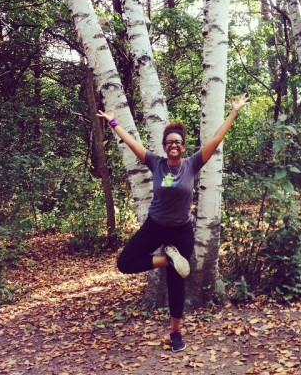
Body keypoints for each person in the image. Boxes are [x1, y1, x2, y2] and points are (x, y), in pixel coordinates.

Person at [97, 93, 249, 352]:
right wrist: (113, 122)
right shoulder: (156, 163)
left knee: (176, 282)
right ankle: (168, 259)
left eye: (178, 142)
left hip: (181, 230)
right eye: (169, 142)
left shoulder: (191, 164)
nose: (174, 145)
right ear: (164, 146)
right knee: (124, 263)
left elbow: (216, 139)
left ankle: (175, 332)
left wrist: (233, 112)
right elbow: (132, 143)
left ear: (183, 145)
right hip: (155, 226)